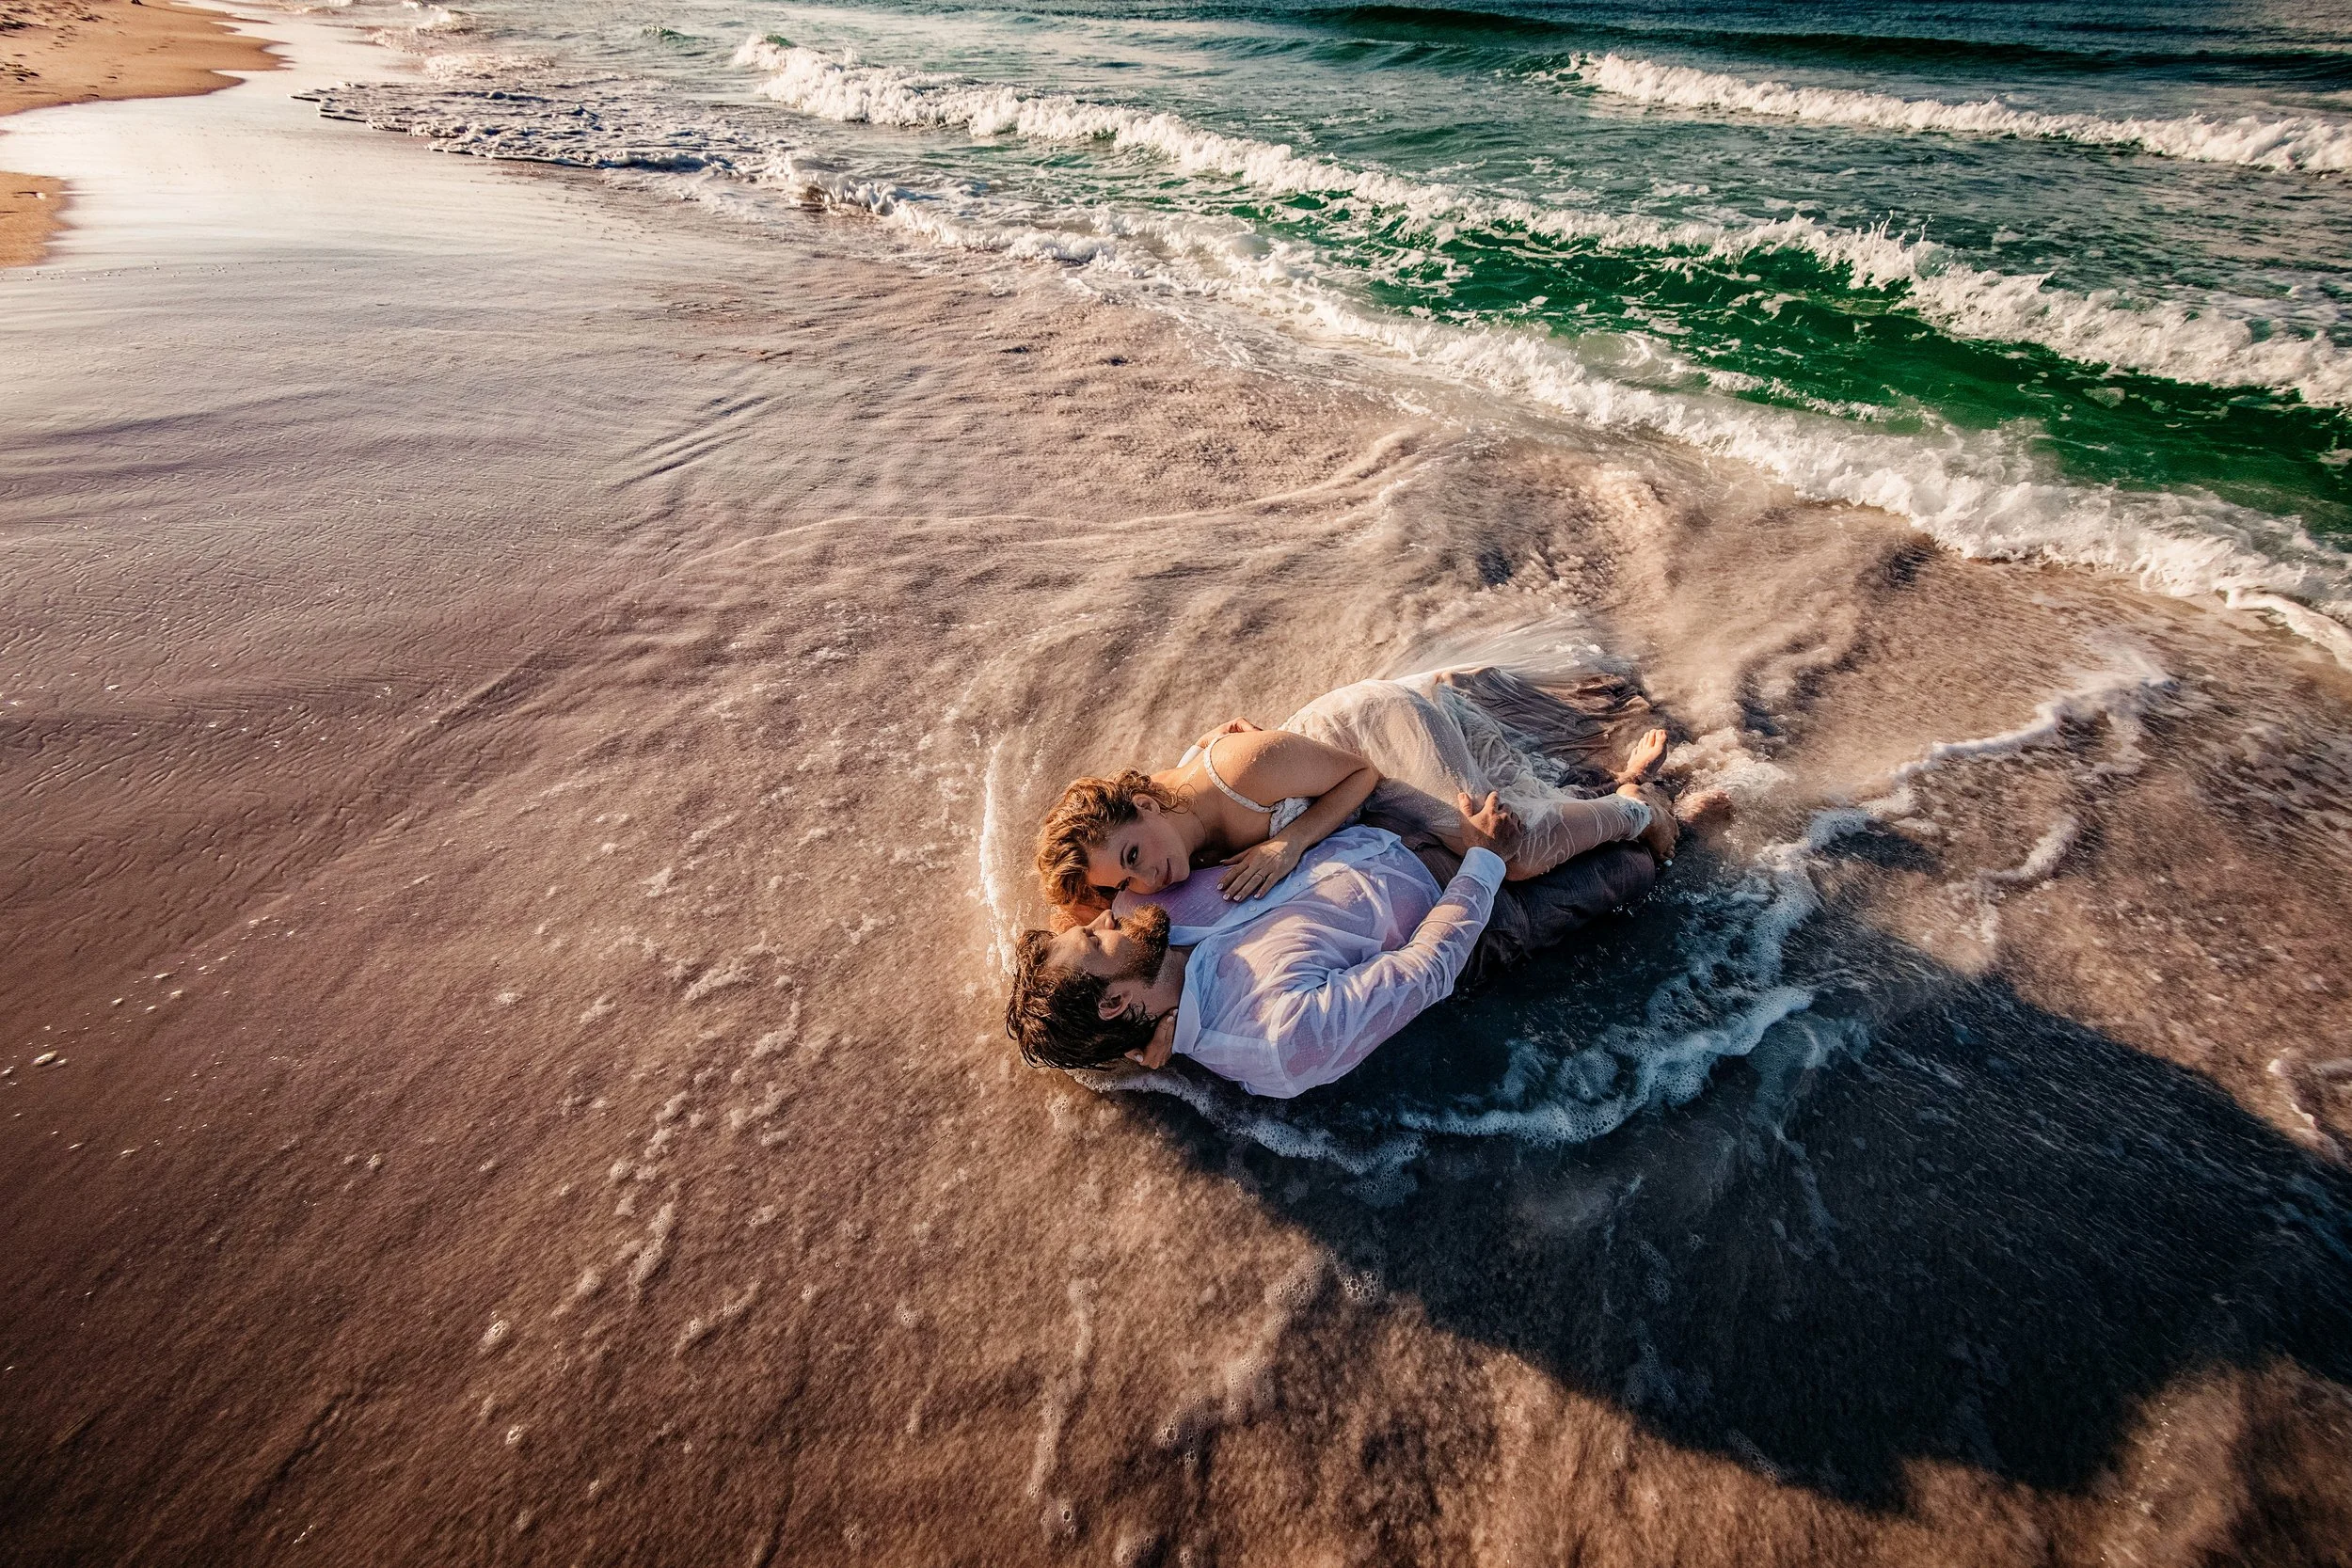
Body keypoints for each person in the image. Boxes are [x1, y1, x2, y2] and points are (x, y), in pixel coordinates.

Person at [1004, 800, 1669, 1099]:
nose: (1106, 918)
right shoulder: (1274, 1039)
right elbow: (1423, 971)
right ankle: (1674, 819)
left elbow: (1108, 839)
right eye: (1094, 938)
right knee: (1632, 868)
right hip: (1476, 912)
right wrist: (1484, 863)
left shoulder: (1143, 918)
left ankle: (1622, 786)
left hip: (1387, 827)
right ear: (1119, 1001)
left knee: (1554, 789)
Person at [1033, 665, 1677, 924]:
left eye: (1135, 855)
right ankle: (1617, 800)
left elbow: (1359, 775)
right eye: (1127, 878)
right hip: (1321, 774)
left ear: (1143, 805)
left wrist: (1289, 843)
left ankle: (1637, 807)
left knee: (1504, 850)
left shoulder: (1237, 769)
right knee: (1483, 842)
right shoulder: (1165, 836)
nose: (1147, 878)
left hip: (1372, 738)